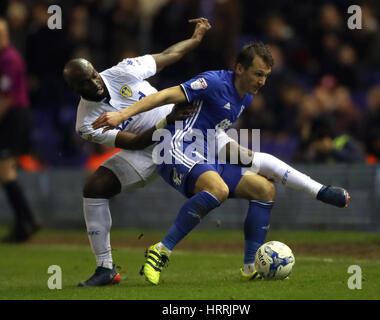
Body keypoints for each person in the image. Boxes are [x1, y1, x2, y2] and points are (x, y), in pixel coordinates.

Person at [93, 43, 350, 285]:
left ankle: (251, 267)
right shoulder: (214, 82)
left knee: (264, 189)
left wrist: (242, 156)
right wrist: (122, 114)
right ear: (239, 68)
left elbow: (215, 133)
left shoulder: (245, 96)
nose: (262, 81)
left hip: (205, 151)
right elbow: (164, 96)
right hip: (174, 147)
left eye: (266, 75)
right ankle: (160, 251)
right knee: (219, 189)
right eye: (257, 74)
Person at [63, 17, 211, 287]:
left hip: (180, 135)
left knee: (229, 175)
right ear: (75, 90)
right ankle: (105, 268)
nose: (95, 83)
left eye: (94, 75)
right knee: (95, 187)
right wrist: (168, 119)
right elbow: (135, 143)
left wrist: (196, 38)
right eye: (85, 83)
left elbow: (168, 55)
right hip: (148, 146)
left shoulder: (122, 71)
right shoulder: (85, 122)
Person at [0, 18, 39, 243]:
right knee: (5, 172)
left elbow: (5, 98)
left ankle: (26, 222)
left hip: (13, 116)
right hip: (12, 115)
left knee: (5, 170)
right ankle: (25, 222)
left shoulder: (9, 59)